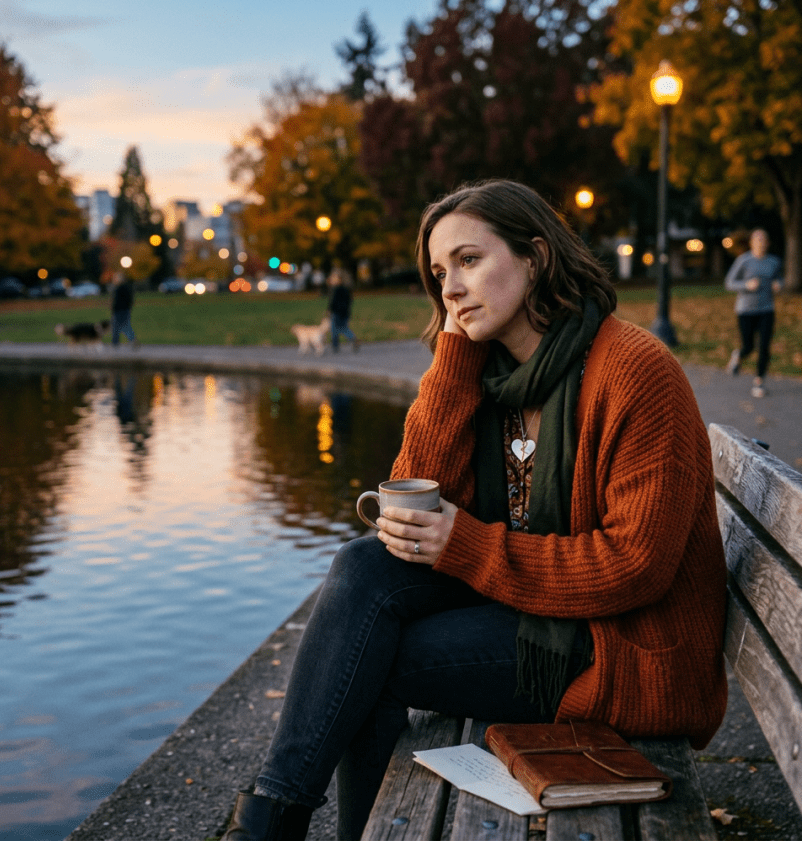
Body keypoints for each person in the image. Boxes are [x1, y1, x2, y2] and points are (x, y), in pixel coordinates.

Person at [222, 180, 728, 841]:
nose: (449, 289)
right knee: (364, 565)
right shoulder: (491, 374)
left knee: (363, 664)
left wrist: (464, 544)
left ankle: (276, 823)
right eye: (437, 272)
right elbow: (410, 492)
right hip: (544, 616)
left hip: (620, 650)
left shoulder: (632, 370)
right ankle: (276, 812)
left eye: (467, 260)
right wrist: (453, 358)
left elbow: (634, 566)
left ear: (535, 257)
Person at [724, 229, 783, 397]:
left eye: (764, 240)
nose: (761, 243)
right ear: (751, 243)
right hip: (745, 310)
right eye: (757, 240)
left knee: (764, 346)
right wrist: (746, 285)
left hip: (766, 309)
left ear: (768, 243)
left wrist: (778, 284)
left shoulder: (774, 261)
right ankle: (739, 355)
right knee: (749, 346)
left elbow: (779, 278)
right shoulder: (744, 261)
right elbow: (729, 283)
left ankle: (759, 382)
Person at [327, 270, 358, 352]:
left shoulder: (336, 290)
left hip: (337, 312)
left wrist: (330, 310)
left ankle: (335, 346)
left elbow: (333, 302)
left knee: (335, 329)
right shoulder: (346, 289)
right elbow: (350, 300)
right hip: (346, 311)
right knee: (343, 327)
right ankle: (352, 338)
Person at [111, 270, 137, 347]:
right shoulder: (127, 287)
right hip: (124, 309)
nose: (114, 280)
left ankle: (116, 342)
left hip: (120, 310)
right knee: (124, 326)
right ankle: (131, 340)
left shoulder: (120, 288)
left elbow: (117, 300)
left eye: (116, 278)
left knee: (119, 326)